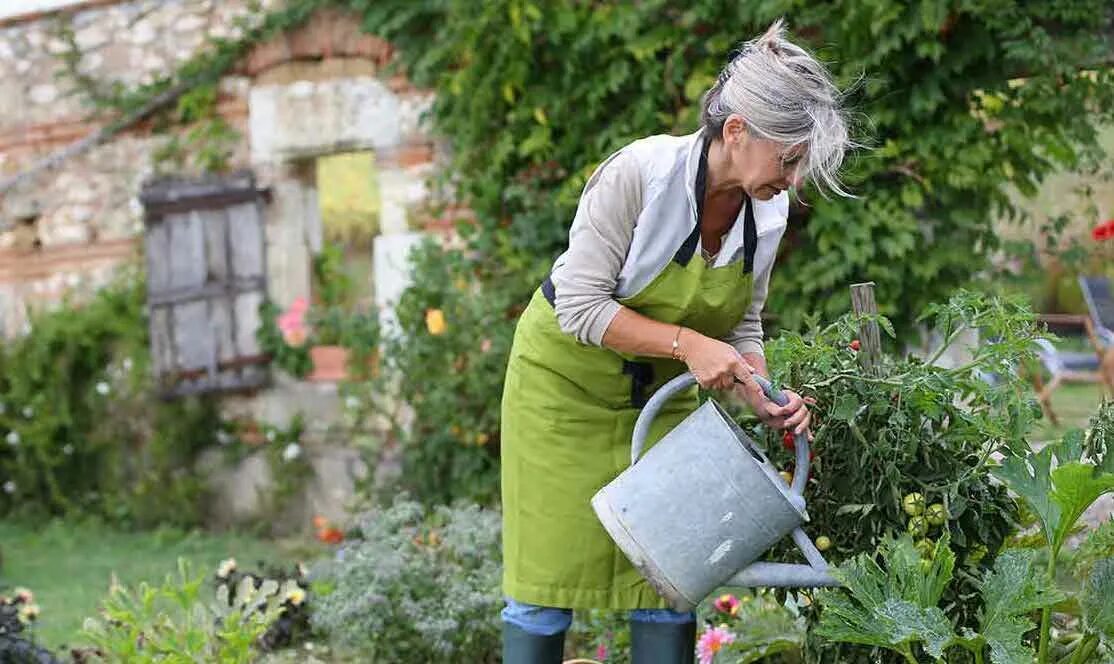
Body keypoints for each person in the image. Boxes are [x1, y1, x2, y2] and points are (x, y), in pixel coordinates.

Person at [499, 19, 855, 664]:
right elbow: (580, 306)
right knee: (543, 585)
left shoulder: (766, 213)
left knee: (671, 577)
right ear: (737, 131)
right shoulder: (640, 175)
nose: (795, 181)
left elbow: (742, 326)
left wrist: (762, 394)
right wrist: (690, 344)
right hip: (562, 394)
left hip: (661, 403)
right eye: (790, 158)